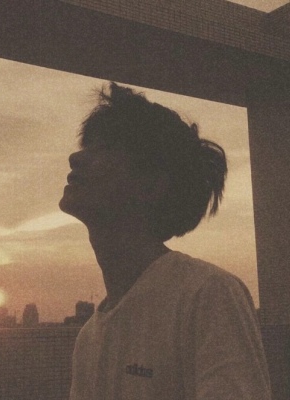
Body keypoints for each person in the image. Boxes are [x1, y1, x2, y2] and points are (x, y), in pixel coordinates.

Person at [59, 82, 271, 400]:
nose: (76, 157)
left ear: (151, 186)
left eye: (104, 148)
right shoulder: (89, 337)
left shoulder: (207, 294)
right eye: (86, 146)